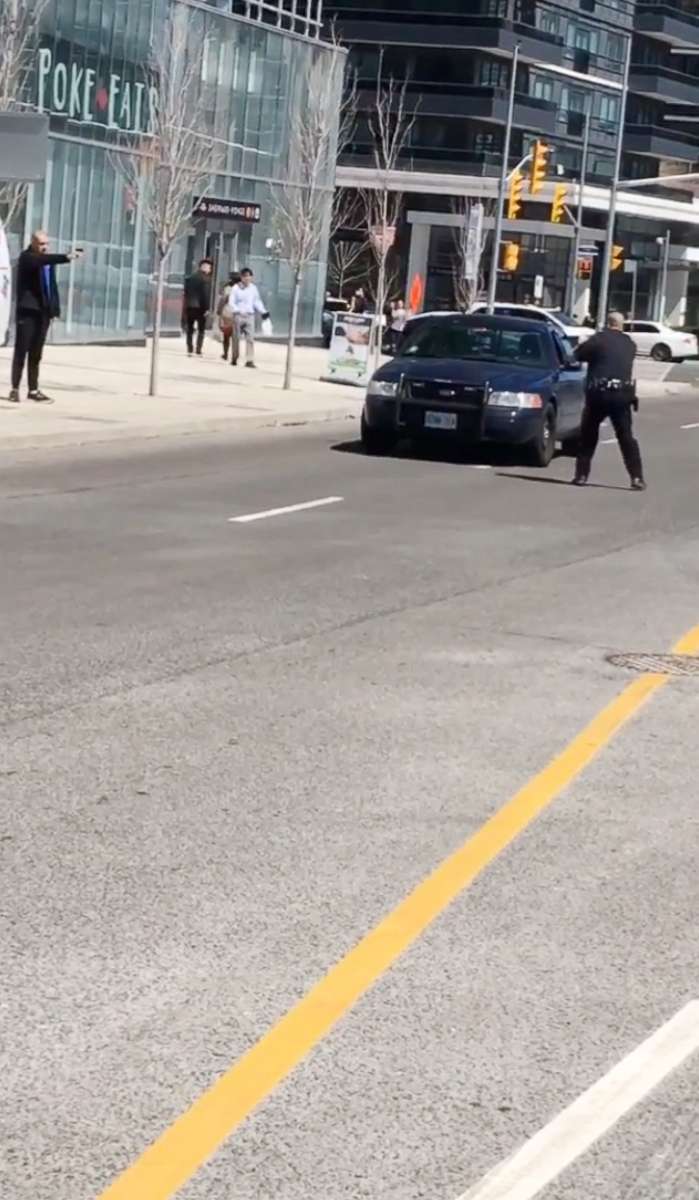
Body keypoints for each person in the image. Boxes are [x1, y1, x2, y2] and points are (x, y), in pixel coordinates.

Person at [572, 311, 646, 491]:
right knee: (626, 437)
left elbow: (577, 355)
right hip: (622, 395)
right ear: (621, 325)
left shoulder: (598, 340)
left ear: (607, 323)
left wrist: (583, 344)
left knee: (588, 434)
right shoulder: (630, 344)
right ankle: (636, 477)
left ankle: (581, 476)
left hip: (599, 393)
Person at [9, 230, 83, 404]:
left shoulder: (47, 262)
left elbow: (51, 286)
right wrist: (67, 257)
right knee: (21, 351)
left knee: (36, 352)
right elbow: (40, 260)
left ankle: (33, 390)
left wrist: (54, 309)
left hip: (43, 313)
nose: (45, 247)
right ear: (33, 243)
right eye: (41, 244)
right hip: (27, 312)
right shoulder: (27, 258)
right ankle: (15, 388)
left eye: (46, 244)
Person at [228, 267, 269, 368]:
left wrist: (263, 311)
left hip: (250, 316)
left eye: (249, 276)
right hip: (238, 316)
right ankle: (234, 357)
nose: (247, 279)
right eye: (245, 276)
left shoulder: (253, 288)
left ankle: (249, 360)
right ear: (241, 277)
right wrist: (238, 310)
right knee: (236, 338)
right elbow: (231, 302)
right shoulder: (236, 288)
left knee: (250, 338)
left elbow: (256, 301)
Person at [183, 259, 213, 356]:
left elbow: (186, 292)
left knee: (190, 329)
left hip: (190, 306)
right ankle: (198, 349)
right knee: (201, 329)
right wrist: (207, 308)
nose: (210, 269)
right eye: (209, 267)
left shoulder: (190, 277)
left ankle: (189, 348)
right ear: (204, 267)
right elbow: (205, 295)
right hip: (200, 307)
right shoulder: (205, 279)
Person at [216, 271, 241, 364]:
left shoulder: (227, 287)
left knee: (226, 335)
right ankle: (234, 356)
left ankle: (225, 353)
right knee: (235, 336)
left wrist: (218, 311)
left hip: (227, 312)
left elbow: (223, 300)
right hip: (238, 313)